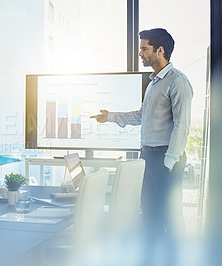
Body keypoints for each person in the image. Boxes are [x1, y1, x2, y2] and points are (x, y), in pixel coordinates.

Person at [91, 28, 192, 264]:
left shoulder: (178, 81)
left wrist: (168, 163)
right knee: (149, 217)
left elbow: (182, 126)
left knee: (171, 220)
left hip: (166, 160)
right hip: (148, 157)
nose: (140, 53)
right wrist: (111, 117)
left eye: (144, 48)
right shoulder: (154, 83)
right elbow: (141, 115)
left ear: (160, 50)